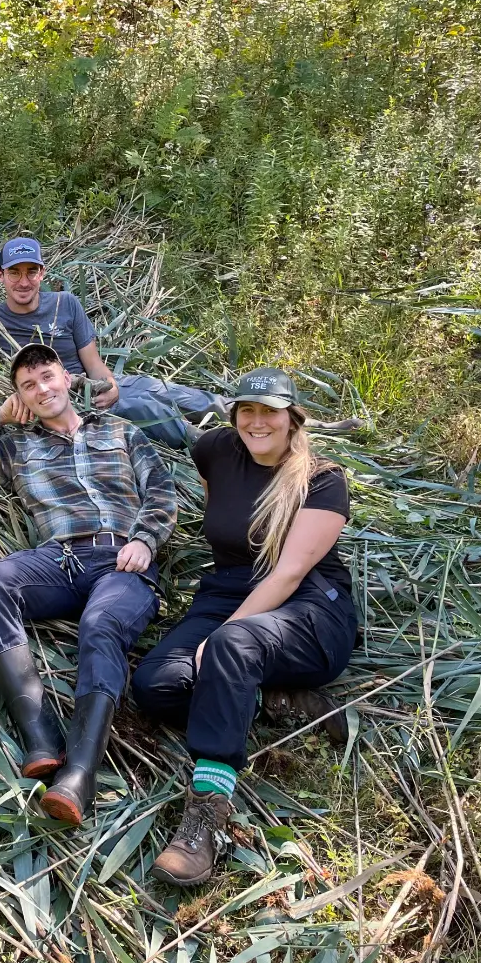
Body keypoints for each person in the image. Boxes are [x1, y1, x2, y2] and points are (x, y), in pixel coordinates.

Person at [0, 343, 178, 827]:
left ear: (67, 378)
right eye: (28, 384)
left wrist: (146, 540)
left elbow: (162, 491)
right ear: (19, 396)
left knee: (101, 622)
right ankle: (40, 739)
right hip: (57, 560)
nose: (42, 388)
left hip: (122, 559)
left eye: (47, 376)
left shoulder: (119, 430)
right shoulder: (17, 447)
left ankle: (80, 775)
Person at [130, 367, 357, 886]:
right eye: (247, 411)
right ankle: (277, 698)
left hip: (311, 609)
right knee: (156, 686)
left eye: (270, 412)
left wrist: (221, 638)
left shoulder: (323, 479)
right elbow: (221, 515)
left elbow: (290, 572)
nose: (257, 423)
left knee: (234, 643)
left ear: (292, 418)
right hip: (228, 587)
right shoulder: (214, 449)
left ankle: (204, 820)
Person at [0, 236, 227, 447]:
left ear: (42, 273)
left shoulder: (66, 304)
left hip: (95, 386)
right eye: (14, 272)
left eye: (31, 271)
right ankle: (213, 444)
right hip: (69, 399)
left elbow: (94, 363)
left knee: (165, 390)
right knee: (146, 409)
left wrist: (111, 386)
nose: (23, 282)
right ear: (0, 275)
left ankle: (245, 409)